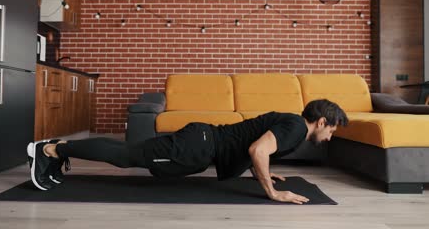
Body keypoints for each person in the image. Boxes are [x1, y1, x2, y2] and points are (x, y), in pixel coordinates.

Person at [28, 99, 348, 204]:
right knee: (127, 157)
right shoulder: (294, 128)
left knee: (130, 153)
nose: (330, 136)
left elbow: (256, 148)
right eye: (331, 130)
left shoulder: (292, 126)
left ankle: (58, 148)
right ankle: (53, 150)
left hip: (203, 141)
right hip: (198, 145)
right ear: (321, 121)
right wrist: (274, 192)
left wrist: (265, 172)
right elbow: (257, 149)